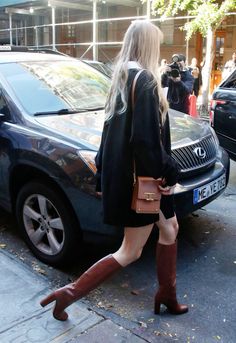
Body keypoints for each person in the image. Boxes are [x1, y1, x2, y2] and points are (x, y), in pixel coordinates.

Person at [40, 20, 188, 321]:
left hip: (137, 179)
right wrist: (169, 174)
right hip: (144, 183)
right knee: (130, 251)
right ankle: (67, 295)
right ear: (148, 44)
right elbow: (145, 141)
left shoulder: (122, 76)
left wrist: (101, 174)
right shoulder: (144, 79)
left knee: (170, 229)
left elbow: (108, 136)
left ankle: (166, 294)